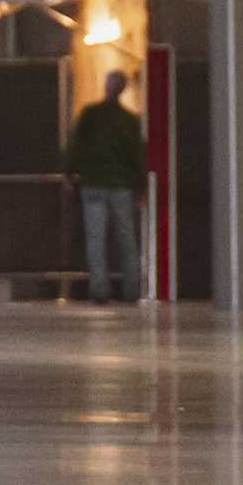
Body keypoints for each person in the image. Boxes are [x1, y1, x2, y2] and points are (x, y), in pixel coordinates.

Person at [64, 67, 150, 309]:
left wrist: (70, 173)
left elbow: (75, 145)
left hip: (93, 184)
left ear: (106, 86)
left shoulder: (90, 115)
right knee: (126, 239)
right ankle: (132, 289)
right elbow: (137, 157)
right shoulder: (130, 121)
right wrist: (140, 188)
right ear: (123, 90)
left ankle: (100, 289)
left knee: (96, 238)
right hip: (121, 186)